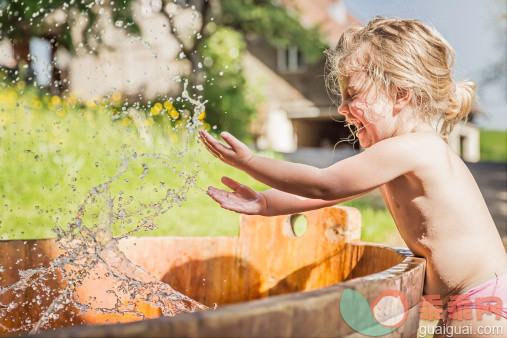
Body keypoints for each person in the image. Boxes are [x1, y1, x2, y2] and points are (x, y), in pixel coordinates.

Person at [198, 17, 507, 333]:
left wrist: (249, 162)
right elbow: (325, 192)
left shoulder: (416, 147)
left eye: (353, 94)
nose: (342, 108)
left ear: (400, 94)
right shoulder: (401, 154)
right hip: (473, 299)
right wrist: (265, 203)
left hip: (482, 300)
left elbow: (324, 185)